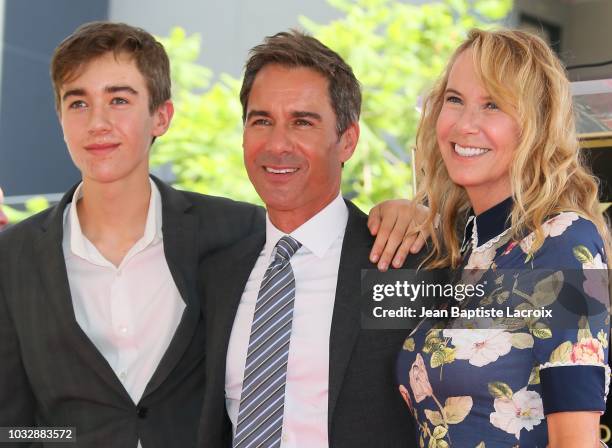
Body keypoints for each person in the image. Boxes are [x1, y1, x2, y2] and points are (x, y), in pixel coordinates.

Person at [0, 22, 420, 447]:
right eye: (78, 103)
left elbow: (459, 387)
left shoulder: (228, 233)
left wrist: (417, 213)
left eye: (120, 100)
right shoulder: (13, 256)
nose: (99, 123)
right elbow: (11, 425)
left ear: (161, 116)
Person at [197, 30, 419, 448]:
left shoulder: (400, 261)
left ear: (347, 140)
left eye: (302, 122)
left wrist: (435, 213)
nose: (278, 144)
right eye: (262, 121)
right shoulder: (216, 274)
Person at [397, 28, 611, 447]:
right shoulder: (460, 246)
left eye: (492, 105)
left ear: (536, 124)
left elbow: (577, 442)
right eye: (454, 100)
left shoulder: (564, 243)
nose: (464, 124)